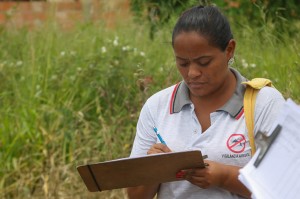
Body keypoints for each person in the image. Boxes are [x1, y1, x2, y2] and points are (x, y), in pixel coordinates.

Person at [127, 5, 285, 199]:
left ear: (229, 50)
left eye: (204, 62)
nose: (192, 73)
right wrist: (154, 169)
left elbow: (283, 187)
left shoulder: (264, 103)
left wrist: (225, 177)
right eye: (183, 63)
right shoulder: (157, 107)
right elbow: (135, 195)